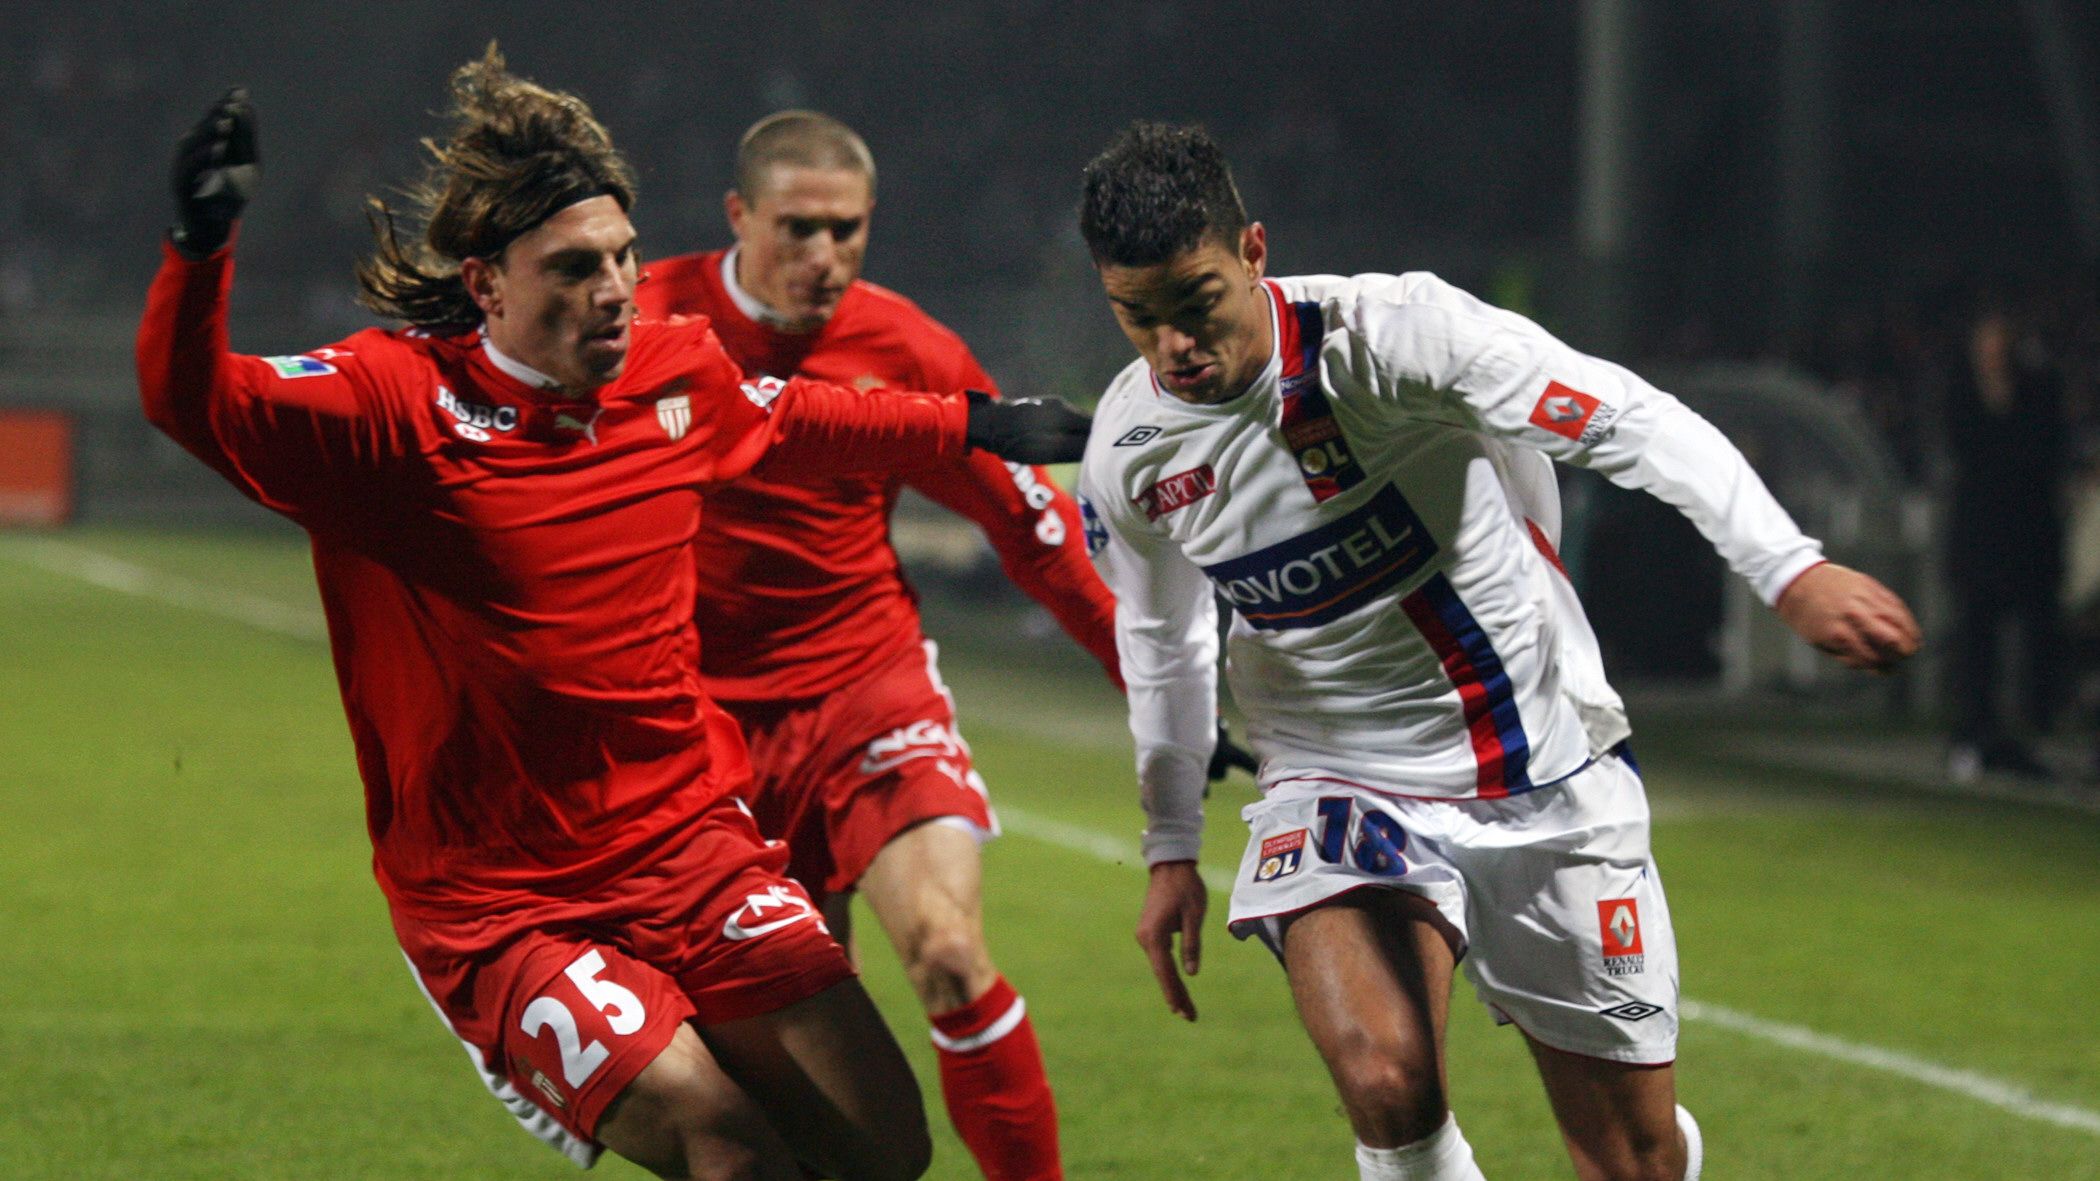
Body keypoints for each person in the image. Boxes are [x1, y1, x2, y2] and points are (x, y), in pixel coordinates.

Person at [137, 54, 1084, 1181]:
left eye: (626, 259)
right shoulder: (392, 406)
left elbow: (807, 416)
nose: (614, 289)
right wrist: (200, 256)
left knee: (882, 1141)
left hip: (690, 848)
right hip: (506, 901)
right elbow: (198, 401)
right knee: (724, 1141)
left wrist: (972, 424)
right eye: (576, 266)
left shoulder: (677, 375)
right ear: (486, 282)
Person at [1072, 122, 1920, 1181]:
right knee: (1386, 1080)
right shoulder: (1129, 449)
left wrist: (1789, 567)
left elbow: (1632, 420)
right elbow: (1161, 638)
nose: (1172, 350)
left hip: (1542, 763)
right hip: (1336, 778)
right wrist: (1168, 842)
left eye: (1193, 305)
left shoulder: (1398, 338)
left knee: (1633, 1159)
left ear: (1253, 250)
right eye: (1136, 318)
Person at [632, 110, 1120, 1181]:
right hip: (706, 726)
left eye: (847, 230)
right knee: (804, 1062)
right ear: (738, 216)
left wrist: (1155, 685)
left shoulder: (904, 346)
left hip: (867, 688)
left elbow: (1029, 526)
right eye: (797, 228)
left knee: (947, 948)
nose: (825, 257)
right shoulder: (646, 315)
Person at [1942, 295, 2067, 781]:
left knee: (2038, 638)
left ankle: (2035, 729)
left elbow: (2041, 456)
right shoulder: (1961, 391)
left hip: (2028, 537)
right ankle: (1977, 730)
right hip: (1979, 539)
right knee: (1977, 641)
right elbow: (1965, 451)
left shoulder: (2039, 387)